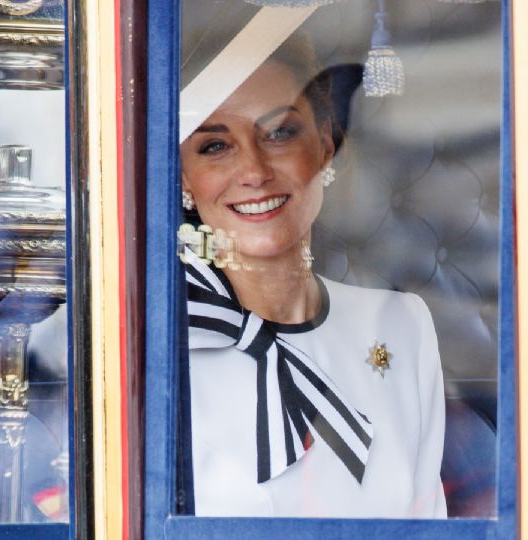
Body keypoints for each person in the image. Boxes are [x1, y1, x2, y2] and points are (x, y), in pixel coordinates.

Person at [179, 32, 447, 518]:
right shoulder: (154, 342)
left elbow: (427, 523)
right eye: (215, 145)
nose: (254, 170)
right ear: (183, 177)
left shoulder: (402, 326)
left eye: (279, 133)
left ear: (325, 145)